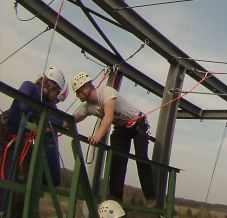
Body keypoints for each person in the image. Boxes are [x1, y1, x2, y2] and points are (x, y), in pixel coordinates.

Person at [70, 72, 156, 203]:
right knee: (117, 158)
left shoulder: (106, 92)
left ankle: (150, 197)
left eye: (78, 91)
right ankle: (115, 196)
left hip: (138, 123)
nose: (77, 95)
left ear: (86, 87)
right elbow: (73, 119)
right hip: (122, 128)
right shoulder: (88, 107)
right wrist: (57, 122)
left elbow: (108, 116)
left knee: (141, 157)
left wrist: (97, 136)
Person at [0, 67, 67, 215]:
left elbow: (59, 119)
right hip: (4, 135)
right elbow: (26, 106)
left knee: (15, 187)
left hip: (15, 144)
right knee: (6, 180)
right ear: (52, 85)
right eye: (57, 94)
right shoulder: (29, 87)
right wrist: (57, 122)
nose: (56, 99)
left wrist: (58, 122)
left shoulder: (49, 104)